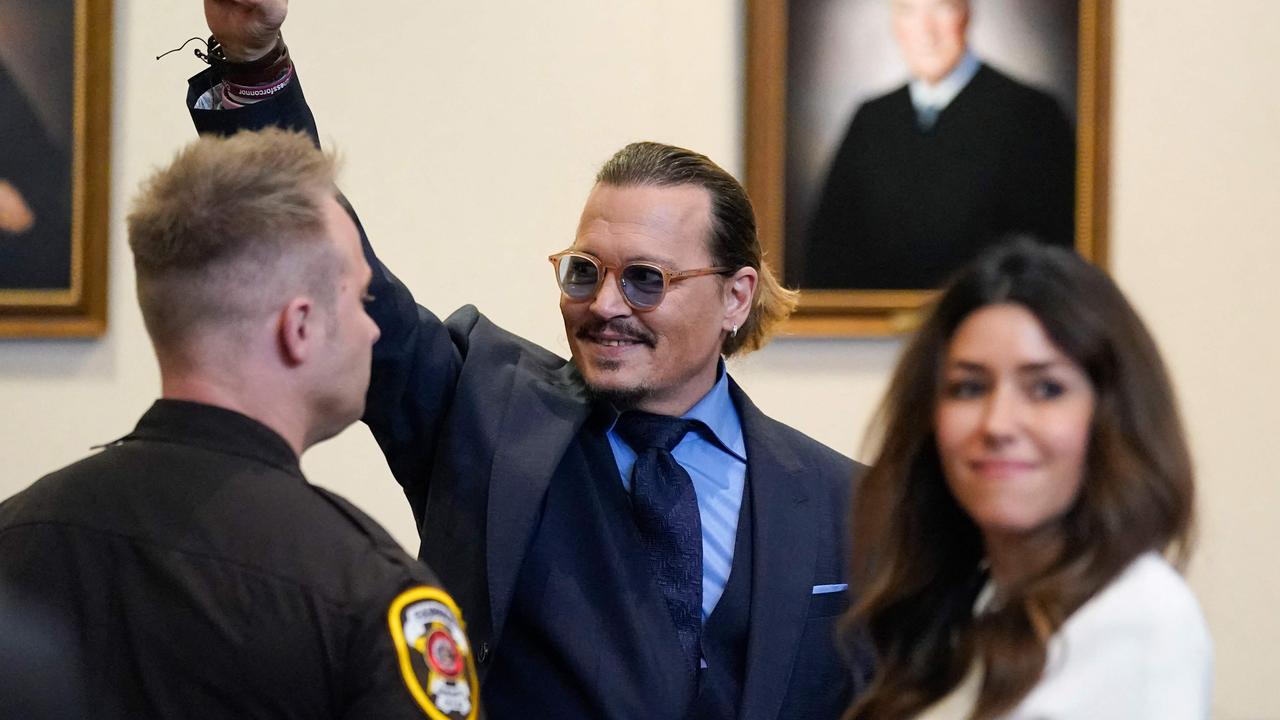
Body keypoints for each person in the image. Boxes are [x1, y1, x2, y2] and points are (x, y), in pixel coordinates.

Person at [187, 2, 868, 718]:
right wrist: (254, 61)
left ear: (736, 297)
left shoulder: (848, 505)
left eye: (645, 279)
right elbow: (330, 261)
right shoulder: (480, 414)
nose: (604, 304)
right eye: (583, 271)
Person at [0, 128, 479, 720]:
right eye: (359, 299)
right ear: (299, 327)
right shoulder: (371, 596)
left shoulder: (16, 535)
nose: (373, 330)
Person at [843, 240, 1212, 719]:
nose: (997, 424)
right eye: (969, 387)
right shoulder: (968, 606)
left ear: (1113, 416)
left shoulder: (1138, 617)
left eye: (1045, 389)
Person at [798, 0, 1075, 290]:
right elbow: (828, 254)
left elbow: (1051, 256)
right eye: (908, 10)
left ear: (966, 14)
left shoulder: (1031, 114)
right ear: (894, 22)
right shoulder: (871, 120)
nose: (926, 31)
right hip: (872, 329)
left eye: (942, 8)